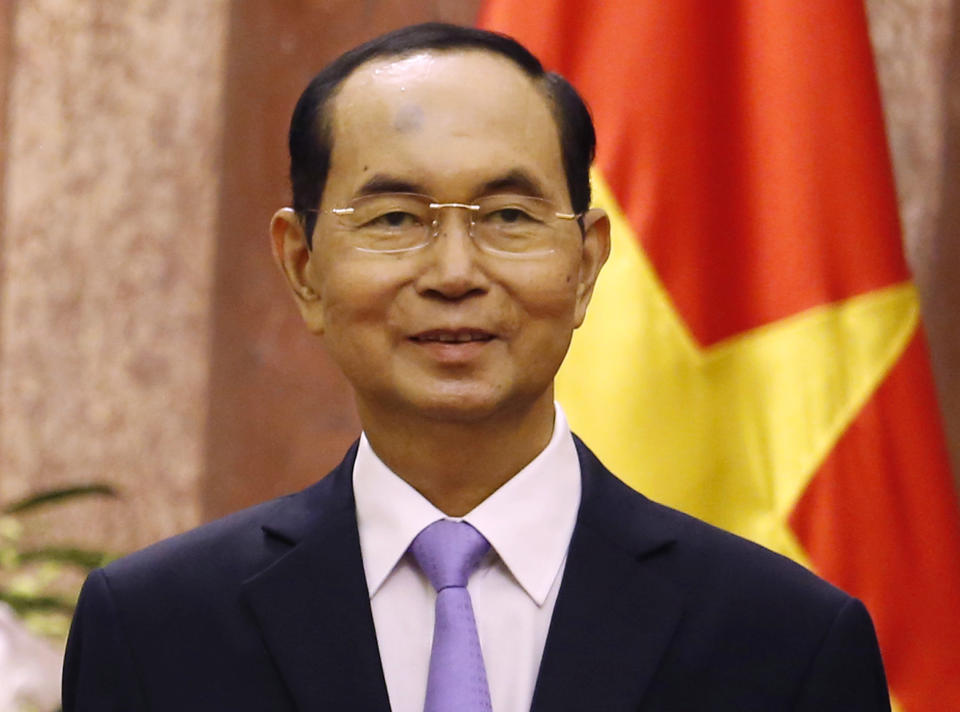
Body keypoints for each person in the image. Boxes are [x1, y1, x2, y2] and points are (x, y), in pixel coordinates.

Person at [62, 23, 891, 712]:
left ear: (587, 265)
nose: (455, 271)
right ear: (304, 266)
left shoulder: (787, 645)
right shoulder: (154, 632)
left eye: (507, 216)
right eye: (393, 217)